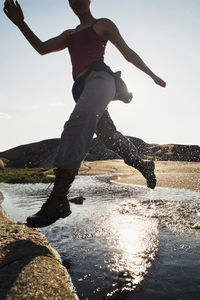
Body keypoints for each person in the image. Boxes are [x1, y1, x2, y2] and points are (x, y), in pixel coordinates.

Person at [4, 0, 166, 228]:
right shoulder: (69, 34)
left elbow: (128, 53)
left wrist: (152, 75)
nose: (76, 2)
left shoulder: (102, 24)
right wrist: (21, 23)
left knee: (76, 125)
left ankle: (58, 199)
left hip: (102, 79)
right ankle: (144, 165)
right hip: (82, 89)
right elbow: (41, 48)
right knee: (108, 136)